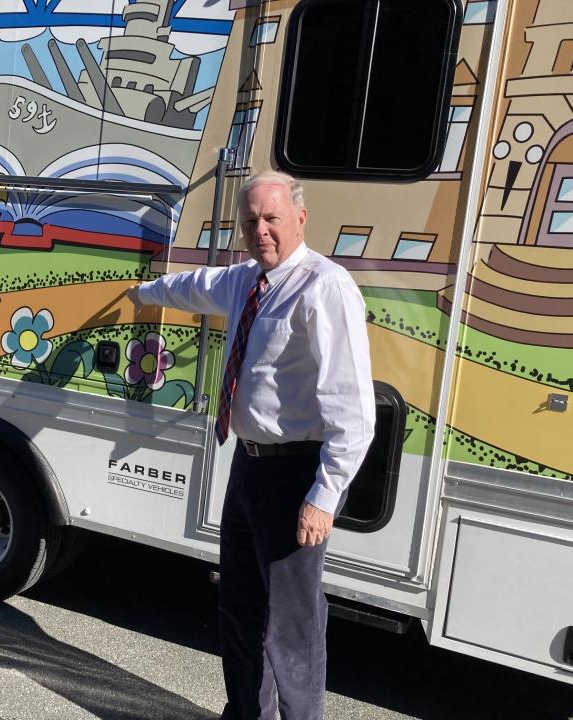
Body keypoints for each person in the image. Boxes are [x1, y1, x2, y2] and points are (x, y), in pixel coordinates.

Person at [128, 169, 375, 720]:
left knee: (291, 624)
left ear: (300, 219)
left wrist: (324, 495)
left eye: (272, 219)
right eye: (251, 221)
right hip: (248, 467)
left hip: (294, 475)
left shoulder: (324, 287)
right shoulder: (245, 279)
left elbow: (353, 410)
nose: (260, 230)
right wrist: (140, 292)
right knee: (239, 608)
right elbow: (192, 287)